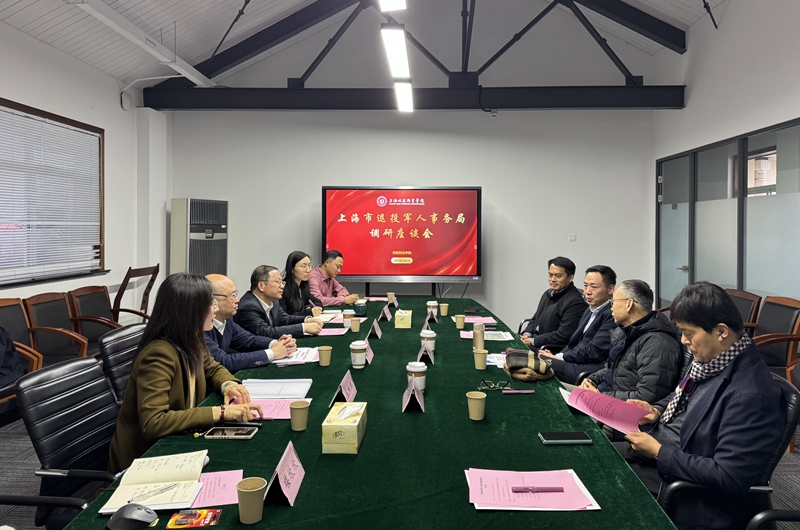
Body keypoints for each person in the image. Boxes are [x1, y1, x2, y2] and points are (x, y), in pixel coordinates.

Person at [621, 282, 785, 530]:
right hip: (665, 453)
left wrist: (659, 453)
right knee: (595, 456)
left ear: (721, 331)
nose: (684, 341)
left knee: (604, 487)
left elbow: (728, 475)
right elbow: (684, 398)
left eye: (689, 333)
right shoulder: (714, 360)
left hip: (688, 490)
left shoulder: (751, 394)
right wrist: (657, 410)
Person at [109, 273, 263, 473]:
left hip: (179, 443)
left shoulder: (191, 339)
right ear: (191, 311)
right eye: (211, 304)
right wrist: (221, 412)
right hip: (146, 459)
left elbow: (213, 367)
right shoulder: (158, 354)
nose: (215, 309)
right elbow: (154, 422)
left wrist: (229, 385)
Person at [580, 279, 682, 404]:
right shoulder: (624, 331)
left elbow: (647, 396)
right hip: (602, 395)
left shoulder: (658, 343)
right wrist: (592, 380)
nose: (611, 307)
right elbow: (612, 369)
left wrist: (601, 396)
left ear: (629, 304)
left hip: (614, 407)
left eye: (613, 302)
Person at [540, 265, 617, 385]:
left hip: (587, 368)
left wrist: (560, 357)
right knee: (531, 358)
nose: (587, 292)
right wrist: (557, 355)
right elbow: (574, 343)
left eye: (594, 287)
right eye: (585, 285)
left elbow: (594, 351)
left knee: (537, 362)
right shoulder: (590, 309)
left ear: (610, 289)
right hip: (573, 360)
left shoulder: (612, 315)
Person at [204, 274, 296, 372]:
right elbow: (223, 361)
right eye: (233, 295)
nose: (238, 300)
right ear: (211, 300)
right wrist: (273, 353)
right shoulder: (201, 328)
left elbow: (248, 340)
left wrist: (276, 344)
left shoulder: (227, 320)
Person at [235, 265, 324, 338]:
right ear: (261, 286)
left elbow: (285, 319)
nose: (282, 286)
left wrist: (307, 320)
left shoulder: (274, 301)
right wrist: (303, 328)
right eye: (278, 282)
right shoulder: (248, 307)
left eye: (282, 282)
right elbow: (265, 332)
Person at [520, 256, 587, 350]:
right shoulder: (548, 293)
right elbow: (536, 318)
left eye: (558, 276)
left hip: (548, 348)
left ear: (571, 277)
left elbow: (563, 335)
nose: (553, 279)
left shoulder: (576, 302)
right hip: (536, 340)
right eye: (550, 275)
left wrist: (533, 341)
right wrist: (527, 334)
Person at [281, 251, 323, 317]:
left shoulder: (303, 286)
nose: (308, 270)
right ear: (292, 269)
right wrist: (307, 312)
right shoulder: (283, 289)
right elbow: (284, 318)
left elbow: (318, 302)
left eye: (309, 265)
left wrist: (309, 308)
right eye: (304, 266)